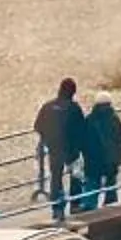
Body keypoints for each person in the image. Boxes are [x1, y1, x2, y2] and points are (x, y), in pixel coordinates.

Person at [35, 77, 81, 217]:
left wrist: (47, 139)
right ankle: (75, 204)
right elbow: (82, 129)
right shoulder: (74, 108)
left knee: (56, 178)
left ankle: (57, 207)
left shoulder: (48, 106)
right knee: (76, 175)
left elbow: (38, 126)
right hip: (72, 149)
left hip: (54, 148)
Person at [80, 89, 121, 211]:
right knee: (111, 183)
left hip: (93, 158)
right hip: (110, 158)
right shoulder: (114, 119)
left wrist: (84, 154)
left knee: (92, 183)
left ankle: (90, 208)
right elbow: (120, 139)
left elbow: (83, 140)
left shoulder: (89, 120)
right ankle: (110, 206)